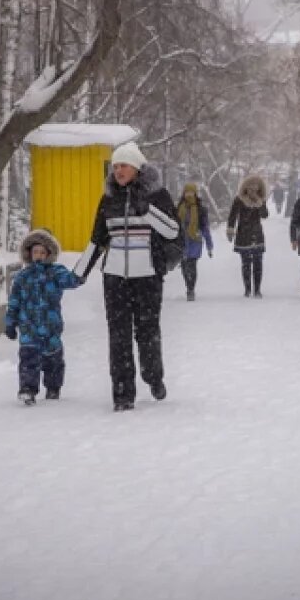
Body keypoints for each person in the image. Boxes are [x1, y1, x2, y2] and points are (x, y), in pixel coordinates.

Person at [74, 141, 179, 411]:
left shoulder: (158, 195)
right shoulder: (109, 199)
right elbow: (97, 239)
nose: (118, 171)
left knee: (147, 333)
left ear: (137, 168)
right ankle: (122, 394)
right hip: (115, 278)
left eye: (123, 165)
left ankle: (154, 377)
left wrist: (148, 211)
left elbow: (172, 231)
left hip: (148, 278)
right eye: (115, 166)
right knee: (118, 336)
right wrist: (79, 273)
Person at [4, 229, 82, 406]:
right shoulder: (23, 277)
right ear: (29, 253)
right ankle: (27, 389)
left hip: (50, 327)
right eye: (35, 252)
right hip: (28, 327)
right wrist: (10, 322)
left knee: (53, 360)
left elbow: (71, 280)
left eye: (42, 252)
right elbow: (14, 301)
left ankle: (53, 387)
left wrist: (81, 272)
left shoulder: (55, 272)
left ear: (49, 254)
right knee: (28, 359)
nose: (38, 256)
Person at [226, 174, 270, 298]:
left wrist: (259, 202)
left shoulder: (261, 200)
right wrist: (230, 230)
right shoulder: (239, 199)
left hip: (257, 235)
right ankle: (247, 289)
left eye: (255, 188)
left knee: (258, 263)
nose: (252, 190)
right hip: (243, 235)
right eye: (250, 188)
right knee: (246, 264)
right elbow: (232, 216)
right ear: (245, 187)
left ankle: (257, 290)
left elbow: (265, 215)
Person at [176, 182, 214, 301]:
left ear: (195, 193)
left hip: (195, 240)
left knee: (192, 265)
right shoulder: (179, 207)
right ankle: (188, 285)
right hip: (181, 240)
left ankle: (190, 289)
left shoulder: (201, 209)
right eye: (187, 192)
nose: (189, 194)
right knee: (183, 266)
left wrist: (209, 245)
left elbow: (205, 227)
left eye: (191, 192)